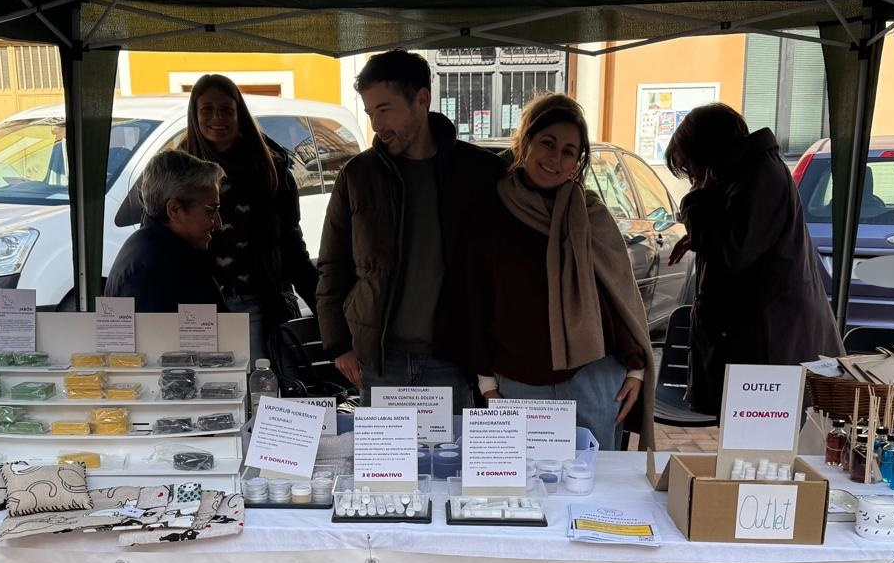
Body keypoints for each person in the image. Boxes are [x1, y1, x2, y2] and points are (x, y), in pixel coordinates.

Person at [468, 93, 653, 451]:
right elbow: (475, 300)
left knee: (595, 490)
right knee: (525, 490)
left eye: (569, 151)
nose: (556, 158)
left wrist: (636, 368)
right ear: (525, 144)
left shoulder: (592, 215)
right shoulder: (491, 215)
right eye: (547, 143)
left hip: (595, 378)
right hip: (517, 381)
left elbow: (619, 298)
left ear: (578, 162)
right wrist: (486, 382)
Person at [316, 49, 503, 404]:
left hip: (454, 360)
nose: (376, 125)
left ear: (422, 99)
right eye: (370, 113)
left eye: (384, 109)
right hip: (381, 362)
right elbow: (332, 266)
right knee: (386, 462)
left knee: (453, 460)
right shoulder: (357, 176)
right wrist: (338, 345)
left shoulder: (480, 172)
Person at [116, 74, 315, 359]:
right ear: (194, 114)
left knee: (262, 382)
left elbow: (293, 245)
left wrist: (324, 308)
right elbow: (159, 227)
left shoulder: (270, 165)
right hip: (200, 300)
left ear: (239, 112)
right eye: (207, 109)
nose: (217, 117)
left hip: (261, 298)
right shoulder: (178, 166)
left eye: (225, 109)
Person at [665, 103, 843, 415]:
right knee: (750, 439)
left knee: (759, 440)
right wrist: (701, 235)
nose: (691, 178)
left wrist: (696, 204)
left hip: (770, 340)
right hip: (764, 335)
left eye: (689, 167)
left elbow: (734, 253)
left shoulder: (757, 175)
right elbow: (743, 236)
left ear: (706, 153)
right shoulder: (749, 173)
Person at [103, 149, 226, 312]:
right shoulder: (153, 272)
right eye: (211, 210)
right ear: (174, 210)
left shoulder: (156, 251)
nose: (218, 223)